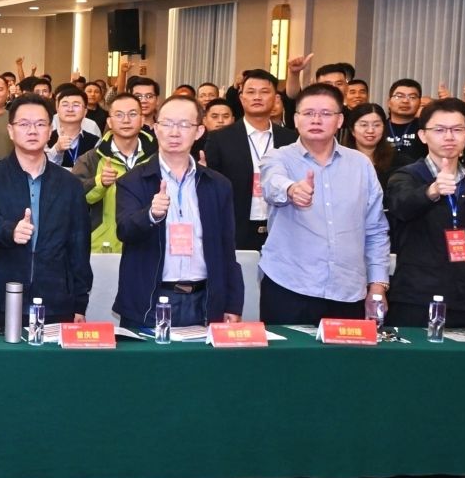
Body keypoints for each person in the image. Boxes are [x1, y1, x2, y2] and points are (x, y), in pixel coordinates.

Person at [257, 84, 391, 325]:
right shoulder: (278, 157)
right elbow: (272, 184)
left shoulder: (361, 164)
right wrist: (291, 190)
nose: (316, 120)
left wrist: (378, 285)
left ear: (340, 120)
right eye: (308, 113)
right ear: (296, 119)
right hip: (289, 286)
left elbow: (376, 229)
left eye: (326, 114)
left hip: (348, 290)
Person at [115, 95, 244, 333]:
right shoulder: (133, 181)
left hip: (205, 300)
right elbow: (124, 230)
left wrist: (233, 303)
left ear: (199, 131)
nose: (174, 132)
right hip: (150, 300)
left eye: (184, 125)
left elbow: (227, 248)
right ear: (156, 128)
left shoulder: (218, 185)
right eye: (167, 124)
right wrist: (150, 215)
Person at [0, 94, 93, 331]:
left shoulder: (69, 184)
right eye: (24, 124)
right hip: (2, 298)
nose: (32, 130)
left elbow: (79, 245)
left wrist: (80, 302)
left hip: (57, 301)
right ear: (10, 130)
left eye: (40, 124)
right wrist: (10, 230)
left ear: (50, 131)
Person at [384, 97, 465, 329]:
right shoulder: (405, 176)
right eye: (439, 130)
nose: (449, 136)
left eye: (457, 129)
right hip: (415, 297)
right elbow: (401, 207)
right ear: (423, 135)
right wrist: (432, 191)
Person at [199, 69, 296, 251]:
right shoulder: (220, 139)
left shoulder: (290, 139)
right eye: (251, 92)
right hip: (235, 229)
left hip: (282, 228)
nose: (257, 97)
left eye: (264, 92)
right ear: (241, 98)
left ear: (275, 98)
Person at [73, 92, 152, 253]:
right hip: (103, 246)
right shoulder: (91, 158)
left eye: (132, 114)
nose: (126, 120)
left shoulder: (157, 158)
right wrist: (99, 183)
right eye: (119, 115)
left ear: (142, 119)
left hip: (149, 245)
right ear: (109, 121)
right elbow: (72, 196)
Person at [342, 102, 396, 180]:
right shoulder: (340, 160)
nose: (370, 131)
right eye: (364, 125)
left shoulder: (397, 161)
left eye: (376, 125)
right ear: (352, 130)